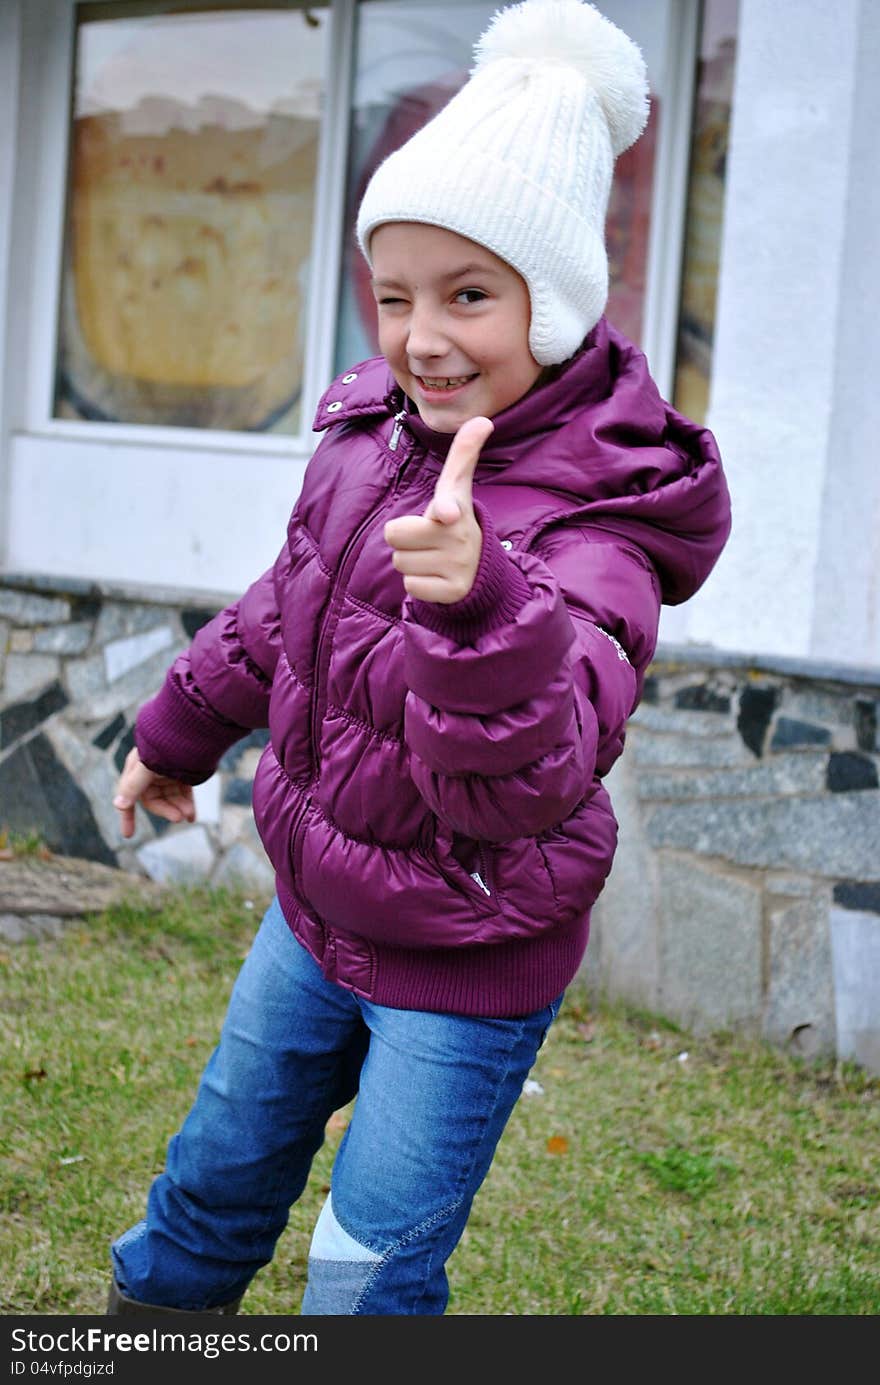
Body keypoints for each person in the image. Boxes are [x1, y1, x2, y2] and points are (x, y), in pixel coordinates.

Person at [107, 0, 731, 1316]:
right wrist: (174, 736)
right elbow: (286, 607)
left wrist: (477, 608)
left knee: (366, 1270)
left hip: (467, 957)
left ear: (552, 304)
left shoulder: (599, 518)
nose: (422, 337)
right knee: (211, 1184)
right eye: (394, 296)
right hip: (311, 912)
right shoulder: (370, 432)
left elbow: (529, 776)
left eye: (468, 296)